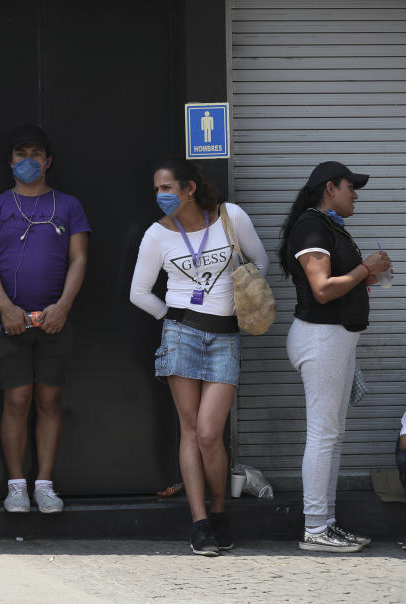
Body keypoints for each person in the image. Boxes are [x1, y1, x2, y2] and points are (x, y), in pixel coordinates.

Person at [129, 158, 267, 556]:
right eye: (157, 189)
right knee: (189, 429)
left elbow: (261, 261)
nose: (161, 196)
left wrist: (244, 292)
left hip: (226, 334)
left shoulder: (230, 217)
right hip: (181, 333)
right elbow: (138, 292)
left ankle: (220, 509)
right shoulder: (157, 235)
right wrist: (173, 318)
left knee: (210, 432)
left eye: (168, 188)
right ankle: (200, 522)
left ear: (190, 189)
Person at [0, 124, 90, 515]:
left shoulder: (69, 205)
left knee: (50, 399)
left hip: (57, 319)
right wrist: (5, 306)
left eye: (35, 154)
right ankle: (16, 486)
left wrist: (64, 306)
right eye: (20, 154)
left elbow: (79, 259)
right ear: (10, 161)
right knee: (17, 399)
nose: (28, 161)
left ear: (48, 161)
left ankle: (44, 483)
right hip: (9, 319)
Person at [279, 161, 391, 553]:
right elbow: (323, 289)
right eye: (350, 187)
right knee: (324, 434)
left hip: (335, 339)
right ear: (330, 188)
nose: (355, 194)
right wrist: (365, 268)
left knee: (333, 435)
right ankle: (315, 527)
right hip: (321, 338)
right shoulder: (312, 227)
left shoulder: (326, 227)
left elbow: (337, 285)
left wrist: (367, 277)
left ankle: (325, 523)